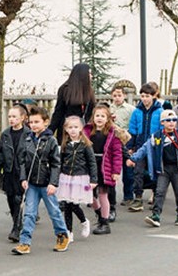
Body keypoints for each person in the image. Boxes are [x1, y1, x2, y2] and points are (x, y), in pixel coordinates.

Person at [13, 106, 69, 254]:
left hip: (46, 184)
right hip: (32, 184)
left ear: (46, 122)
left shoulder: (50, 141)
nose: (33, 125)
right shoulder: (27, 139)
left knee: (54, 212)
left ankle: (62, 235)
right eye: (31, 122)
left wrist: (53, 183)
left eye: (37, 121)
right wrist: (23, 178)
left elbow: (56, 164)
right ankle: (24, 242)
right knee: (29, 213)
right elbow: (23, 161)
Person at [131, 110, 178, 227]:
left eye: (174, 120)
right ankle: (156, 215)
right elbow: (144, 148)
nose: (171, 123)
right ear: (162, 122)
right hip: (163, 169)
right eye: (168, 120)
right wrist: (133, 158)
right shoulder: (156, 136)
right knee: (159, 192)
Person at [85, 105, 125, 235]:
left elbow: (117, 154)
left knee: (103, 194)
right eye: (97, 116)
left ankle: (104, 222)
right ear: (93, 117)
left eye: (103, 116)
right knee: (87, 194)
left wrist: (116, 171)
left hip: (104, 166)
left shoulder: (112, 134)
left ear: (108, 118)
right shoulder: (87, 132)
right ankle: (99, 212)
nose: (99, 118)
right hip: (90, 166)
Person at [56, 116, 98, 241]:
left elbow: (92, 163)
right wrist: (56, 178)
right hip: (66, 178)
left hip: (80, 178)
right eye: (70, 127)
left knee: (74, 204)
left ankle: (84, 221)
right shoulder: (65, 145)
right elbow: (60, 162)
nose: (73, 130)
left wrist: (94, 179)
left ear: (81, 128)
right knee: (67, 205)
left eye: (76, 127)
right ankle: (69, 231)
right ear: (66, 129)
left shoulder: (85, 145)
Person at [125, 83, 163, 212]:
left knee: (156, 172)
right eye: (142, 96)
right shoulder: (137, 112)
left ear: (153, 96)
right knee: (138, 171)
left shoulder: (160, 111)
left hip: (155, 147)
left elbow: (163, 129)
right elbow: (133, 129)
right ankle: (138, 198)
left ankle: (157, 197)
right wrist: (131, 146)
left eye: (147, 96)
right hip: (141, 147)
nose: (144, 99)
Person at [0, 104, 28, 242]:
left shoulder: (28, 133)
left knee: (18, 198)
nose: (11, 119)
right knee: (10, 197)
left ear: (22, 118)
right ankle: (16, 221)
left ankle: (17, 227)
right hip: (9, 171)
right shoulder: (5, 134)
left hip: (22, 171)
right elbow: (0, 151)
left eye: (14, 116)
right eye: (9, 116)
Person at [50, 63, 95, 143]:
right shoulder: (65, 89)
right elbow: (58, 112)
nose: (91, 76)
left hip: (82, 131)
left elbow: (91, 113)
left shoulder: (89, 91)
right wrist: (49, 132)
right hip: (66, 130)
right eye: (89, 73)